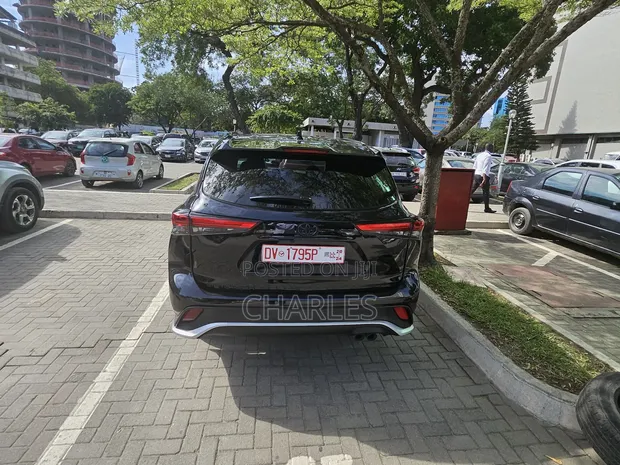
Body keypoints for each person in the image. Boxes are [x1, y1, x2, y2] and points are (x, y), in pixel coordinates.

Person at [471, 143, 496, 213]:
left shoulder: (479, 155)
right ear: (490, 148)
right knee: (486, 192)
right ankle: (487, 208)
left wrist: (473, 175)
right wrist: (484, 179)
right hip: (482, 176)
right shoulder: (488, 156)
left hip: (476, 174)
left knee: (472, 190)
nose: (493, 149)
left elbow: (475, 166)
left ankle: (461, 202)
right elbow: (485, 168)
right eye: (492, 148)